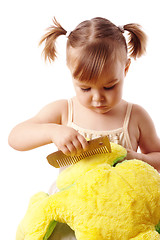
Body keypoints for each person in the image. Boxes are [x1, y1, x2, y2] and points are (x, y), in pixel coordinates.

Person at [9, 16, 160, 239]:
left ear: (125, 69)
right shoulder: (64, 111)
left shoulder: (135, 116)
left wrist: (137, 157)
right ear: (71, 74)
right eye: (85, 88)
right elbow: (15, 137)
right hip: (72, 216)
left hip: (121, 218)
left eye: (109, 86)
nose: (98, 98)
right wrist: (53, 131)